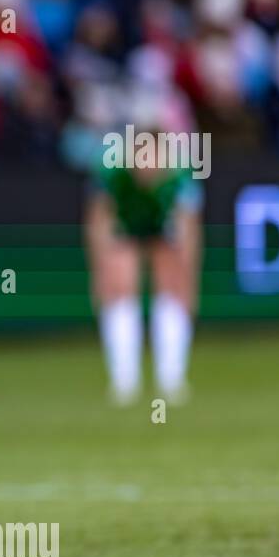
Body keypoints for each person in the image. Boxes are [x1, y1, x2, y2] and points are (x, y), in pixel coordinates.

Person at [84, 117, 202, 405]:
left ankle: (171, 379)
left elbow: (190, 231)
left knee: (174, 285)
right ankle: (124, 382)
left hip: (163, 227)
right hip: (124, 225)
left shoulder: (182, 174)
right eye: (143, 155)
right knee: (120, 285)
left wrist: (190, 277)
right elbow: (97, 222)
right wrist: (99, 272)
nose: (149, 164)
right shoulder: (111, 171)